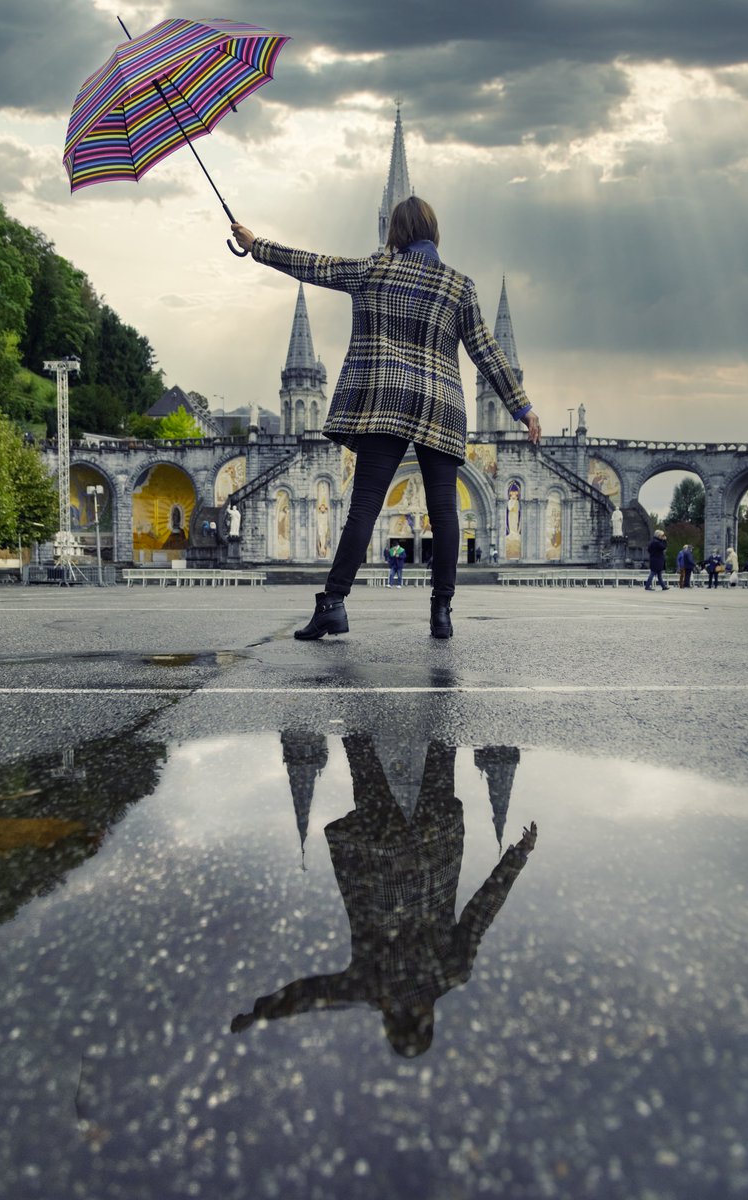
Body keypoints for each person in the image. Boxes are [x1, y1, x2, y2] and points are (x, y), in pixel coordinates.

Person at [231, 198, 541, 641]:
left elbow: (314, 266)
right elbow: (485, 351)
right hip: (440, 406)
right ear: (433, 232)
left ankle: (334, 604)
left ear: (394, 231)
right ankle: (441, 612)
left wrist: (256, 244)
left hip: (384, 403)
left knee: (364, 506)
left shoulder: (375, 270)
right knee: (445, 512)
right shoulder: (459, 286)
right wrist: (522, 407)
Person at [230, 734, 538, 1056]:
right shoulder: (375, 991)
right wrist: (261, 1012)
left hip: (433, 849)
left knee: (439, 757)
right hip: (383, 856)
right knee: (366, 766)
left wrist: (518, 857)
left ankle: (442, 693)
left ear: (429, 1020)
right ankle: (355, 701)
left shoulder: (452, 972)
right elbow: (313, 996)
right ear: (390, 1023)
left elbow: (482, 912)